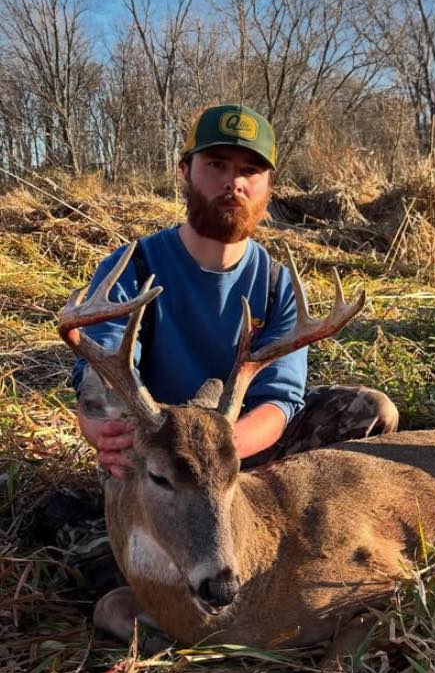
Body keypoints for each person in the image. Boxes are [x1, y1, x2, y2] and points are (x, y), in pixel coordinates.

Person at [72, 103, 399, 480]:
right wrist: (108, 435)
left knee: (371, 411)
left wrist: (216, 451)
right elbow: (102, 379)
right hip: (157, 449)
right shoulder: (132, 267)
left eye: (249, 170)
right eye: (216, 165)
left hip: (241, 445)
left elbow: (279, 400)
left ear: (269, 186)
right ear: (185, 171)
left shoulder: (279, 285)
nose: (233, 183)